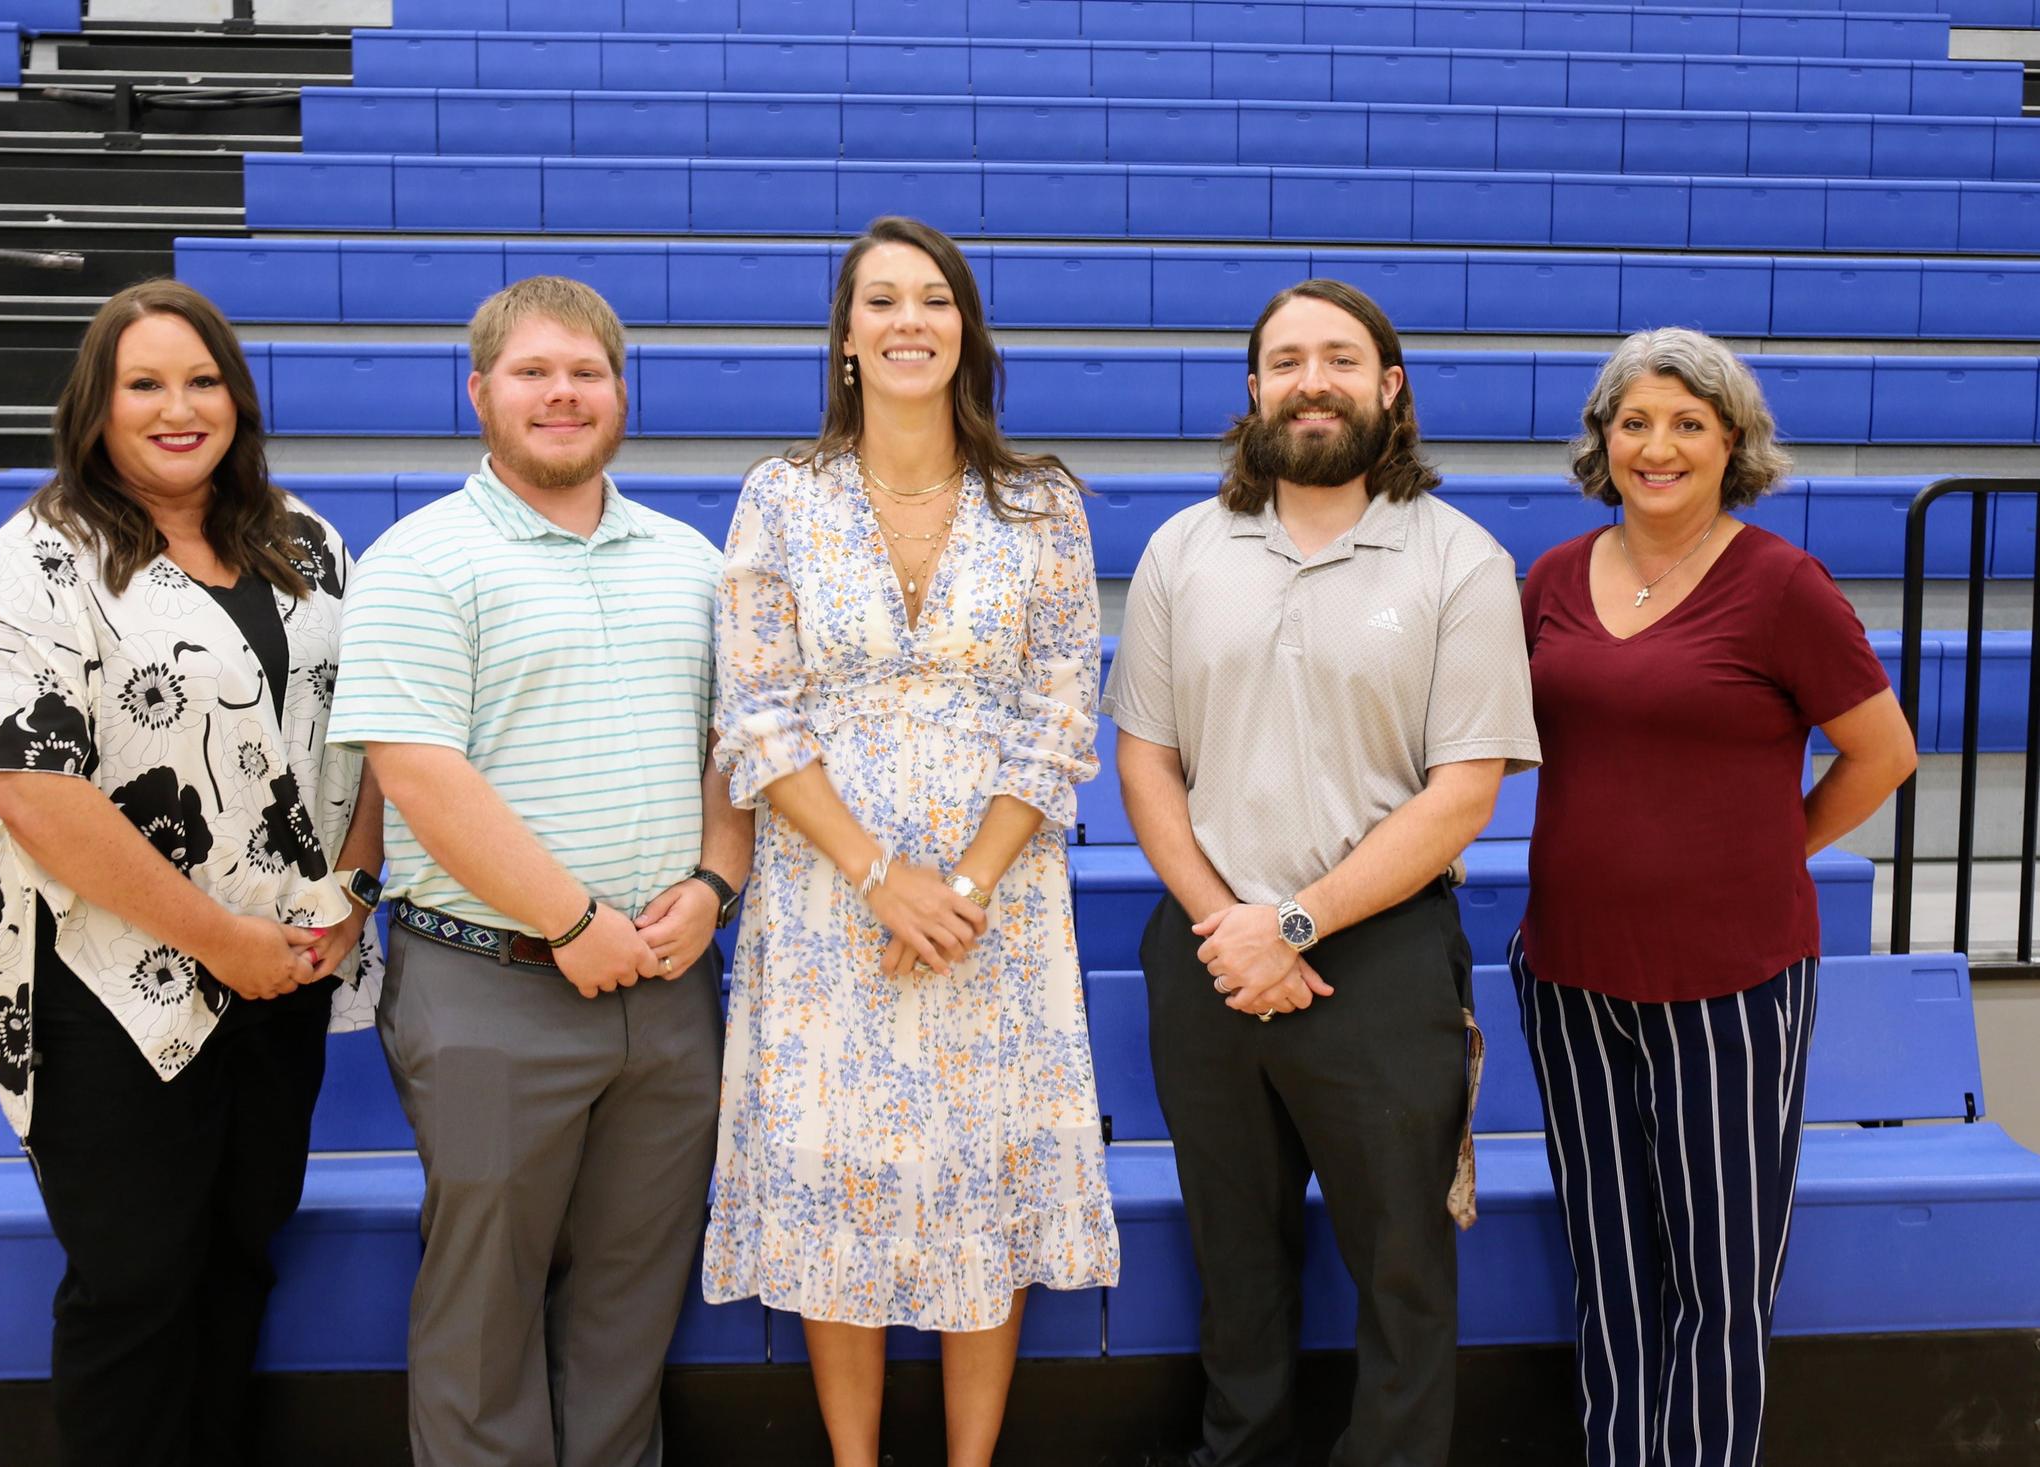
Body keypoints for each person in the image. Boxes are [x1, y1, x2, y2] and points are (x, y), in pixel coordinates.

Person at [0, 278, 383, 1467]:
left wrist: (352, 898)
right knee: (135, 1286)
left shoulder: (308, 544)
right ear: (96, 407)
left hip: (288, 966)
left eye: (203, 380)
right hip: (105, 982)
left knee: (236, 1260)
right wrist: (221, 941)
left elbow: (375, 734)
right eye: (145, 385)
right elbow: (29, 786)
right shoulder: (41, 556)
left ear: (238, 397)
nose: (179, 408)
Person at [702, 215, 1120, 1467]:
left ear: (965, 332)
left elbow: (1061, 714)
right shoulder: (782, 497)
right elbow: (757, 712)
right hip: (831, 902)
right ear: (844, 337)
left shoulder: (1040, 506)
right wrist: (882, 879)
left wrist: (963, 889)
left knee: (982, 1180)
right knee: (841, 1181)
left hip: (996, 911)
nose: (907, 322)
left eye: (932, 299)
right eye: (879, 300)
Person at [1106, 278, 1541, 1467]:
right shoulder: (1182, 550)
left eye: (1341, 360)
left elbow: (1463, 792)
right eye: (1287, 360)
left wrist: (1291, 925)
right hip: (1209, 951)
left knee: (1402, 1263)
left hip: (1379, 952)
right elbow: (1144, 762)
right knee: (1234, 1257)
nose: (1313, 382)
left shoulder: (1461, 560)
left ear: (1388, 388)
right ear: (1253, 389)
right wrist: (1231, 926)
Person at [327, 274, 750, 1467]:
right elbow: (418, 774)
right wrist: (569, 920)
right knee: (484, 1312)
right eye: (533, 373)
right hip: (490, 982)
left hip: (667, 986)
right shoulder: (419, 558)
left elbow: (732, 751)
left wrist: (715, 884)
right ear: (479, 393)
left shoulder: (692, 562)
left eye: (586, 372)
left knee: (632, 1298)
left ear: (622, 394)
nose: (562, 395)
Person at [1514, 327, 1917, 1467]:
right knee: (1609, 1262)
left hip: (1730, 988)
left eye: (1688, 423)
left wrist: (1772, 849)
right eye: (1634, 422)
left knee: (1720, 1276)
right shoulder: (1550, 579)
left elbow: (1883, 754)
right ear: (1602, 440)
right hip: (1569, 975)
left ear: (1731, 441)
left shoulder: (1783, 586)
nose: (1658, 447)